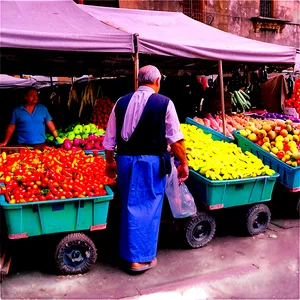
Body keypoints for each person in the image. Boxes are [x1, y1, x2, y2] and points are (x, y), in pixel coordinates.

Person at [103, 65, 189, 272]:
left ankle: (128, 253)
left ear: (138, 82)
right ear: (157, 81)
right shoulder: (165, 103)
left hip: (125, 161)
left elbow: (109, 141)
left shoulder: (120, 102)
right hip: (149, 163)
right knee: (147, 208)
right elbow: (175, 140)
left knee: (129, 205)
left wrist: (110, 162)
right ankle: (140, 259)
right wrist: (184, 163)